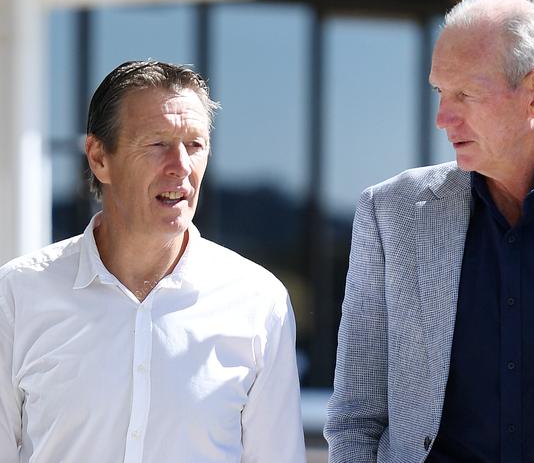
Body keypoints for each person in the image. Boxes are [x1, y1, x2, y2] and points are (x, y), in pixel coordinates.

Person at [325, 0, 534, 463]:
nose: (442, 118)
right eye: (440, 91)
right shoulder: (389, 211)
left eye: (466, 94)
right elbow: (357, 413)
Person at [0, 60, 306, 462]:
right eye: (157, 143)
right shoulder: (17, 295)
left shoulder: (258, 302)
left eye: (195, 145)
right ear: (98, 158)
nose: (181, 166)